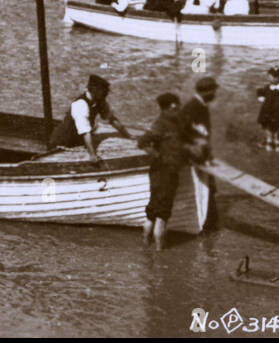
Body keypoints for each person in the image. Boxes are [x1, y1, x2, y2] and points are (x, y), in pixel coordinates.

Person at [138, 93, 207, 250]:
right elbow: (142, 142)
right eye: (175, 107)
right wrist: (158, 156)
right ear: (167, 108)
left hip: (158, 172)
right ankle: (159, 252)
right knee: (161, 216)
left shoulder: (169, 123)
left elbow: (183, 141)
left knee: (152, 212)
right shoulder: (162, 125)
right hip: (165, 172)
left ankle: (145, 246)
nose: (178, 110)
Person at [49, 74, 123, 163]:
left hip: (78, 140)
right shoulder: (80, 104)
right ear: (94, 90)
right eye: (103, 91)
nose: (106, 94)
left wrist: (129, 136)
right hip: (63, 143)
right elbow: (85, 131)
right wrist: (92, 155)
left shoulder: (100, 101)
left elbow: (111, 119)